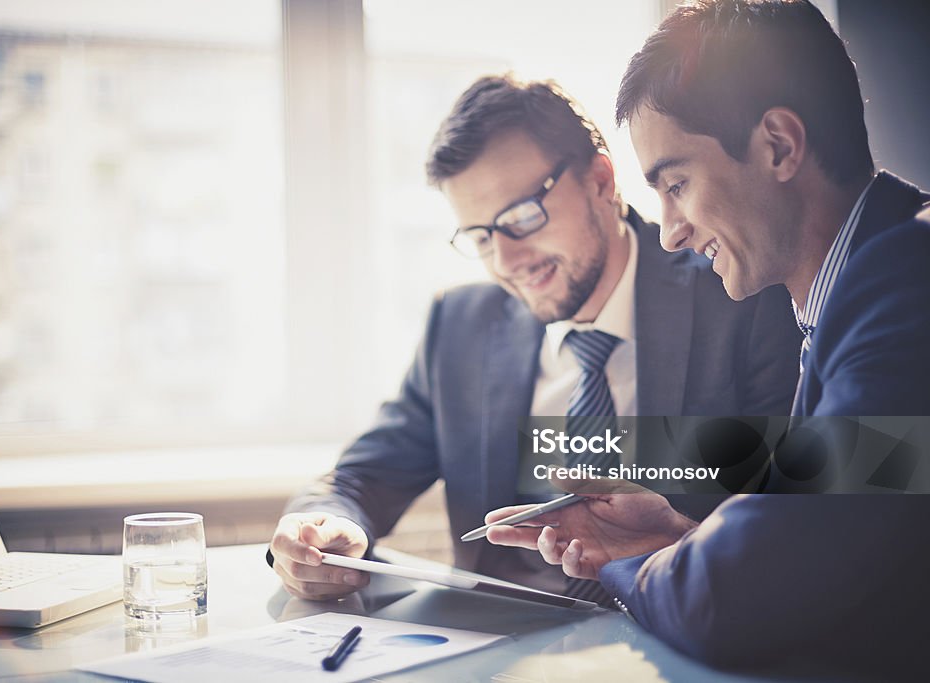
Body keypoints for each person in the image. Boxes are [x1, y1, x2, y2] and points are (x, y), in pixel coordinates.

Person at [485, 1, 929, 677]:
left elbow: (744, 593)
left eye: (678, 184)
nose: (670, 232)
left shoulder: (903, 291)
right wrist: (676, 536)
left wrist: (636, 561)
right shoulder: (851, 293)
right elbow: (827, 547)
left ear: (779, 145)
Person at [268, 74, 801, 605]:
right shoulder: (459, 325)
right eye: (480, 236)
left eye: (522, 217)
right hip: (498, 649)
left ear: (599, 180)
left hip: (672, 637)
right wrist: (319, 526)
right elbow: (362, 476)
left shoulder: (740, 294)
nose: (506, 261)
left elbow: (796, 528)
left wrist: (679, 535)